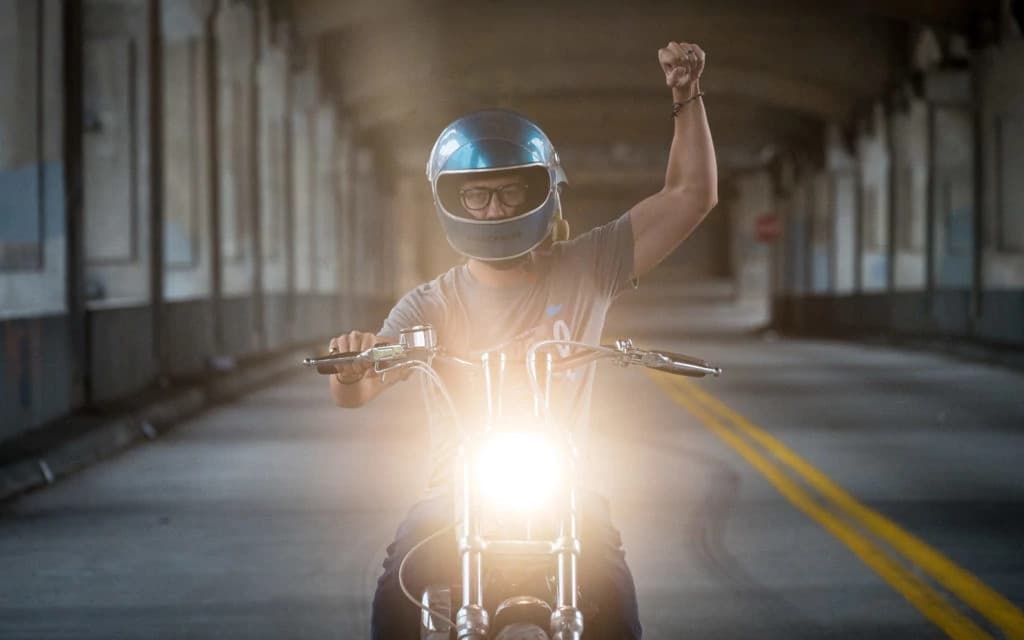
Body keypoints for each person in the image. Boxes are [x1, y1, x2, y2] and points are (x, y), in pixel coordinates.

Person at [330, 41, 716, 640]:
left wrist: (687, 97)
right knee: (396, 586)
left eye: (509, 191)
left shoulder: (590, 266)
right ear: (452, 201)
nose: (492, 209)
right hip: (455, 493)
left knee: (614, 594)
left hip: (564, 488)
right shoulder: (430, 304)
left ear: (541, 192)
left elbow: (690, 196)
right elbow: (358, 391)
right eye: (475, 194)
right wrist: (352, 368)